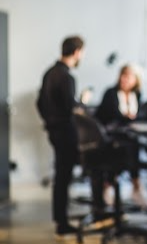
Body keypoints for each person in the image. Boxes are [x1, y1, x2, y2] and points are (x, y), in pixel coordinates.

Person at [36, 35, 85, 237]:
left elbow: (39, 103)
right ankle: (62, 223)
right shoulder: (67, 77)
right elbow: (70, 107)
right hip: (66, 133)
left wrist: (49, 121)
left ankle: (60, 219)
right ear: (76, 52)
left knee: (60, 177)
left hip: (54, 131)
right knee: (64, 177)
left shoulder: (49, 73)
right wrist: (81, 102)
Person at [94, 64, 147, 209]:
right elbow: (114, 116)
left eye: (128, 76)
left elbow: (138, 115)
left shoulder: (137, 95)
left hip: (127, 137)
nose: (124, 79)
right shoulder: (110, 93)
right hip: (109, 138)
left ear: (136, 80)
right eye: (123, 75)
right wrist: (130, 117)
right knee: (131, 146)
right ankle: (129, 185)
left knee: (132, 143)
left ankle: (128, 186)